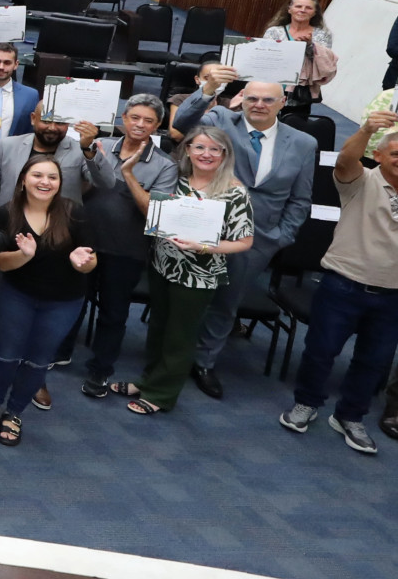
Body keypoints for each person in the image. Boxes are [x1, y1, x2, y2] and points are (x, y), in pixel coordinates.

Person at [171, 71, 316, 399]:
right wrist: (207, 89)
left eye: (268, 99)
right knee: (184, 297)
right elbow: (183, 121)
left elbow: (300, 198)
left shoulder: (304, 143)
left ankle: (204, 361)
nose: (259, 105)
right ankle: (170, 356)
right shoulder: (223, 118)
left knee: (226, 303)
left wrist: (282, 237)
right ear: (241, 100)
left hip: (259, 239)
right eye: (252, 98)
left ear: (283, 102)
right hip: (202, 226)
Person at [281, 109, 398, 454]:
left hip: (392, 296)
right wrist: (365, 129)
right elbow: (346, 159)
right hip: (343, 285)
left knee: (373, 361)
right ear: (377, 156)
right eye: (395, 154)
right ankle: (306, 404)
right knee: (321, 351)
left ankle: (350, 416)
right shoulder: (360, 181)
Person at [118, 125, 255, 416]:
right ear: (188, 150)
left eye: (214, 149)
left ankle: (162, 394)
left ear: (224, 154)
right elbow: (153, 213)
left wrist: (205, 247)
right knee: (158, 328)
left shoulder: (233, 191)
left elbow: (244, 242)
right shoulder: (177, 180)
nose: (206, 154)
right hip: (162, 265)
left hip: (198, 275)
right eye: (199, 147)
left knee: (179, 336)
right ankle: (148, 381)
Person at [0, 156, 97, 447]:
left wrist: (81, 263)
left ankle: (14, 413)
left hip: (64, 300)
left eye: (52, 177)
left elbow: (91, 261)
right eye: (37, 175)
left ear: (60, 183)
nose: (45, 182)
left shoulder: (74, 212)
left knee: (39, 359)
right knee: (6, 354)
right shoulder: (6, 213)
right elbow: (0, 264)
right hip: (18, 295)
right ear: (23, 179)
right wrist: (24, 255)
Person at [74, 95, 178, 398]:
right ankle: (59, 352)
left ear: (157, 126)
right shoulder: (99, 144)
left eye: (148, 121)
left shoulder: (165, 165)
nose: (139, 125)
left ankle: (100, 369)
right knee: (70, 301)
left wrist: (129, 175)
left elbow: (153, 213)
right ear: (123, 118)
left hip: (126, 249)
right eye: (135, 118)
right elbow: (77, 187)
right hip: (85, 239)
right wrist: (92, 159)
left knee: (113, 313)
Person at [264, 0, 337, 106]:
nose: (303, 10)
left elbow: (324, 63)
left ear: (314, 12)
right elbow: (265, 55)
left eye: (308, 8)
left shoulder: (322, 34)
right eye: (298, 6)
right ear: (289, 9)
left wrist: (310, 46)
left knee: (294, 121)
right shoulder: (274, 31)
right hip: (272, 86)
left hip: (300, 90)